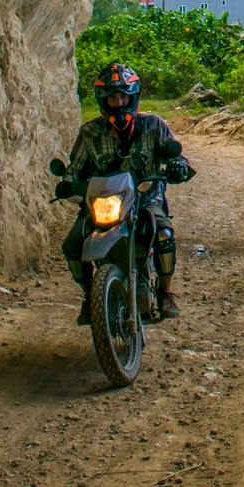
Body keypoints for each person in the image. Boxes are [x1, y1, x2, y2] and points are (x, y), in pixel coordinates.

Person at [57, 62, 195, 324]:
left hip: (145, 199)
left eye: (122, 96)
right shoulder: (89, 132)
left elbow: (181, 158)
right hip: (102, 202)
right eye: (112, 97)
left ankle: (165, 293)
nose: (118, 103)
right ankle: (90, 297)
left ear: (132, 97)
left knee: (164, 234)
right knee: (72, 245)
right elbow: (74, 168)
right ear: (103, 99)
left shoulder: (154, 125)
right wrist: (67, 182)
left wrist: (178, 167)